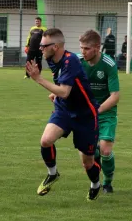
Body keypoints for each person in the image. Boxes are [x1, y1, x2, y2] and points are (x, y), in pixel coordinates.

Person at [26, 28, 101, 201]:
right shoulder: (52, 59)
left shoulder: (70, 60)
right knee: (45, 140)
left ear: (56, 46)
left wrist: (39, 79)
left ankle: (96, 184)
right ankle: (53, 174)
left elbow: (65, 92)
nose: (41, 48)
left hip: (85, 116)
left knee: (87, 162)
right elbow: (63, 88)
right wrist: (55, 92)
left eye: (44, 45)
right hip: (64, 109)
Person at [78, 30, 120, 193]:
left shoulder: (109, 64)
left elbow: (115, 96)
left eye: (87, 48)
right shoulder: (78, 61)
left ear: (97, 47)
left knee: (105, 150)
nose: (83, 51)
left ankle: (107, 182)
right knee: (89, 154)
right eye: (81, 48)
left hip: (106, 112)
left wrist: (97, 110)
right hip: (85, 114)